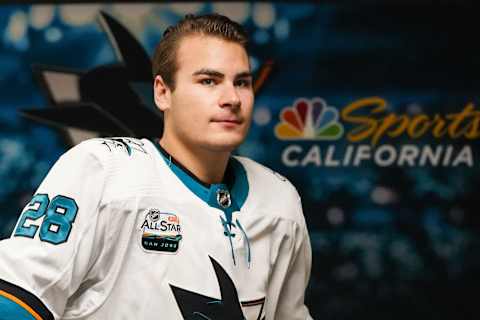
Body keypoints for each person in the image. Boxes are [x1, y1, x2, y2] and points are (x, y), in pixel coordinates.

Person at [0, 13, 313, 320]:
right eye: (208, 80)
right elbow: (17, 300)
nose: (232, 97)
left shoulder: (280, 199)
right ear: (163, 92)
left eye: (242, 82)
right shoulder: (102, 169)